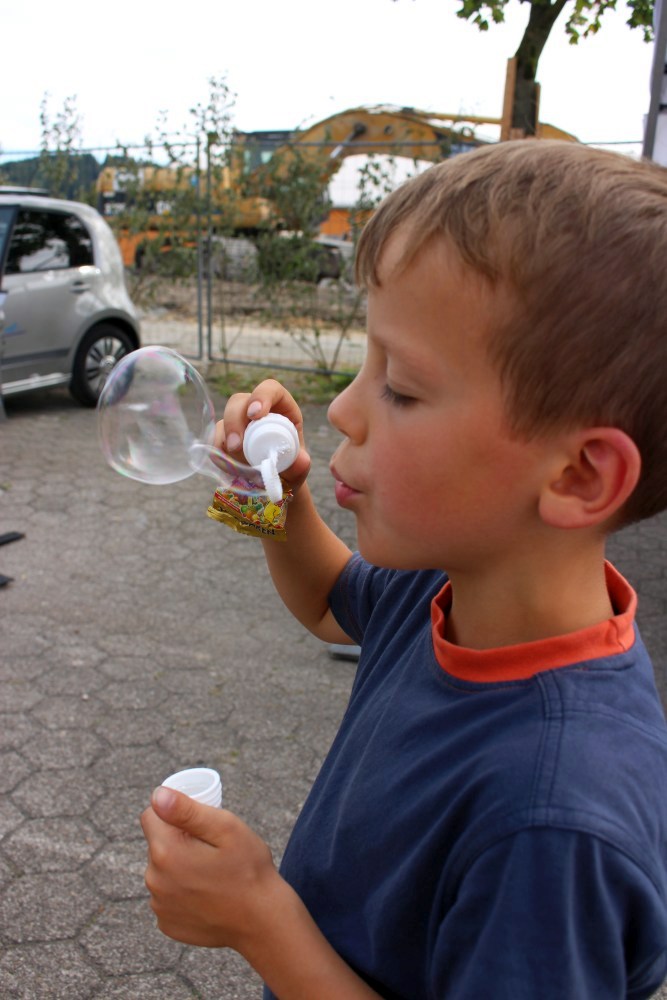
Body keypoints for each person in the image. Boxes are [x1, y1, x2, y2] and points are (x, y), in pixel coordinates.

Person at [141, 139, 667, 999]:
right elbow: (328, 602)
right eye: (366, 362)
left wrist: (260, 921)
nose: (343, 410)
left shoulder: (552, 822)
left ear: (578, 476)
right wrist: (273, 496)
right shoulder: (455, 585)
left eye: (403, 388)